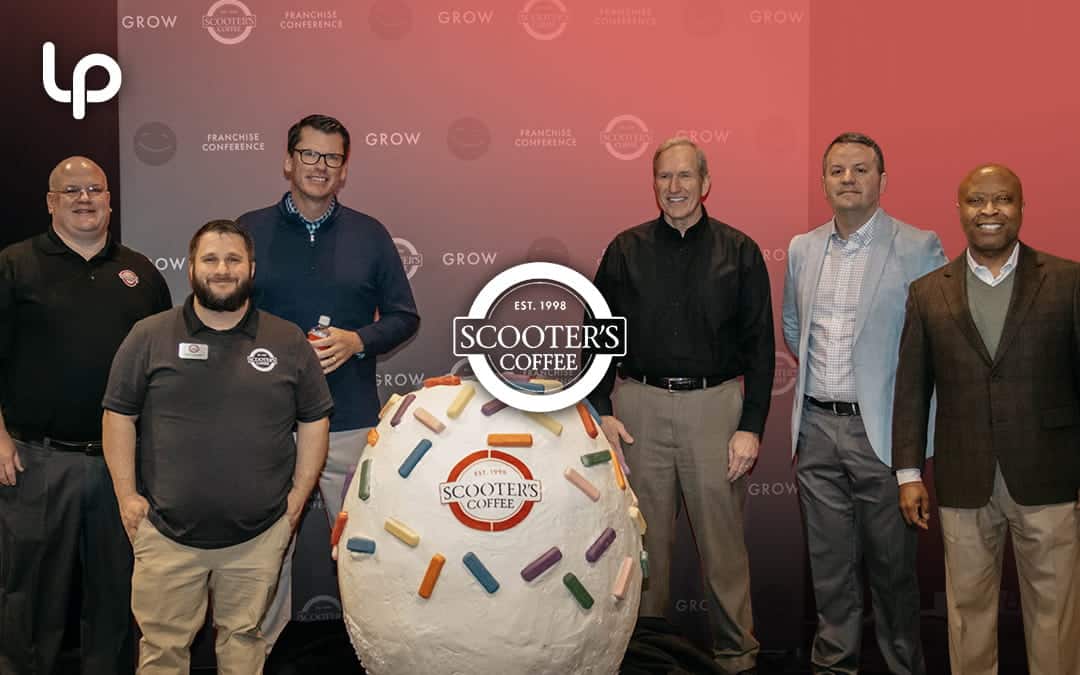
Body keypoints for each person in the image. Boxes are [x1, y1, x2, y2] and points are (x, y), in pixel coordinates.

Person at [101, 220, 333, 674]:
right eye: (210, 259)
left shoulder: (287, 340)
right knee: (162, 650)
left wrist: (298, 499)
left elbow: (314, 419)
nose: (222, 269)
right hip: (166, 534)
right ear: (191, 269)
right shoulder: (148, 335)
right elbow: (118, 416)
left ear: (251, 267)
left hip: (259, 535)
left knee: (244, 642)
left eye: (232, 259)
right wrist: (127, 496)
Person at [588, 136, 774, 674]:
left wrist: (752, 425)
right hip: (639, 406)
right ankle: (646, 655)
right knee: (643, 544)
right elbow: (598, 335)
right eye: (664, 177)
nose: (675, 188)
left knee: (724, 545)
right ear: (654, 184)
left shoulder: (739, 251)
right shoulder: (625, 249)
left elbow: (761, 346)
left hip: (715, 409)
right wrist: (602, 407)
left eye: (685, 176)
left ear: (705, 183)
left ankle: (738, 657)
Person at [237, 113, 419, 641]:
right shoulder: (248, 229)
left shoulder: (370, 233)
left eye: (332, 158)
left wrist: (358, 341)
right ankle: (255, 656)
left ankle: (375, 651)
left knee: (361, 548)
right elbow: (224, 314)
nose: (320, 166)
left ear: (344, 170)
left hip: (349, 419)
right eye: (310, 155)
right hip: (269, 423)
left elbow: (406, 316)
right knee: (267, 550)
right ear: (288, 162)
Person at [893, 164, 1080, 675]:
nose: (990, 211)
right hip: (963, 477)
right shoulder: (929, 291)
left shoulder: (1067, 281)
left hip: (1051, 476)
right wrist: (909, 473)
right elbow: (911, 389)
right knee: (967, 612)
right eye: (978, 201)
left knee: (1057, 612)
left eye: (1002, 200)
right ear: (960, 210)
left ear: (1021, 207)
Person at [0, 156, 171, 674]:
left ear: (109, 199)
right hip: (36, 460)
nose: (84, 198)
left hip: (121, 469)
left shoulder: (140, 273)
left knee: (118, 594)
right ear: (50, 202)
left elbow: (162, 372)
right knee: (28, 597)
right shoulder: (14, 265)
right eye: (70, 190)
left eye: (94, 188)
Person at [782, 133, 945, 674]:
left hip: (883, 434)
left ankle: (903, 665)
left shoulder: (918, 246)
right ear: (823, 181)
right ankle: (834, 665)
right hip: (816, 430)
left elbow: (934, 343)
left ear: (882, 180)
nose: (847, 178)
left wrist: (913, 451)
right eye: (836, 170)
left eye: (859, 169)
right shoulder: (804, 248)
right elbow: (793, 327)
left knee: (893, 570)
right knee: (830, 569)